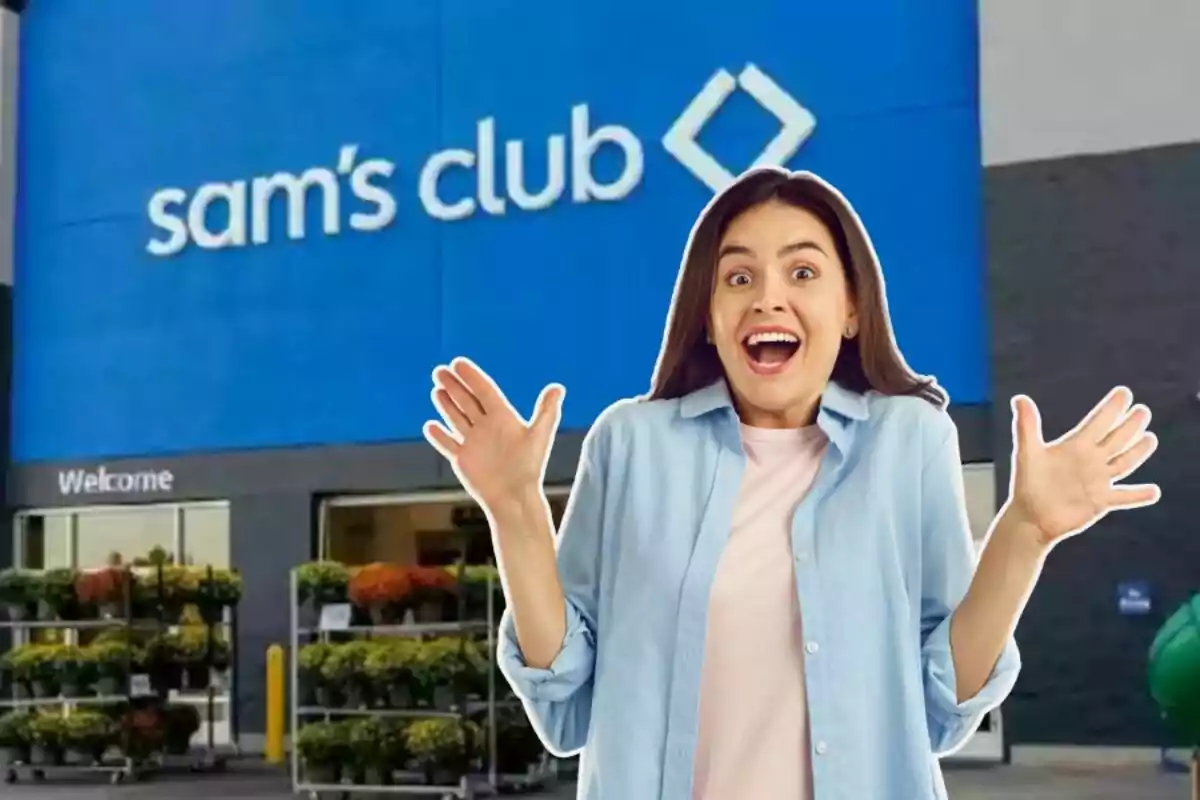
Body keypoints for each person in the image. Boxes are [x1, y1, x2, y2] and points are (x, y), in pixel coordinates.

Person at [422, 167, 1161, 799]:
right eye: (737, 277)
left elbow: (939, 702)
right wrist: (515, 508)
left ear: (849, 309)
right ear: (709, 319)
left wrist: (1025, 532)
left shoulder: (908, 442)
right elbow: (566, 701)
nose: (767, 298)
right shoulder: (632, 443)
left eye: (802, 272)